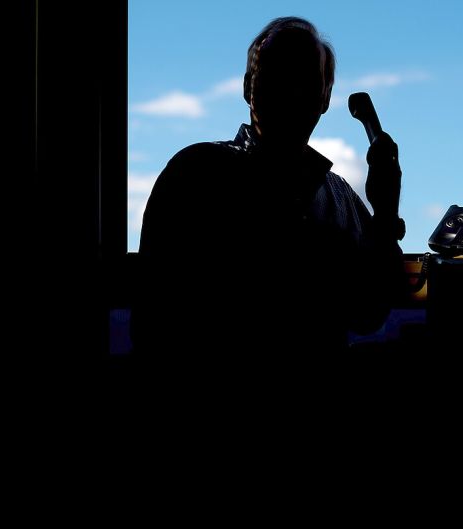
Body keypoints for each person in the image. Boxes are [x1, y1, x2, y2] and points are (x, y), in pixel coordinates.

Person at [134, 16, 406, 361]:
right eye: (277, 73)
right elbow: (155, 322)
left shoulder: (342, 198)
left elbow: (368, 313)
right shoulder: (195, 174)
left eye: (305, 78)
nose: (291, 89)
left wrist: (385, 212)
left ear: (325, 98)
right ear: (248, 87)